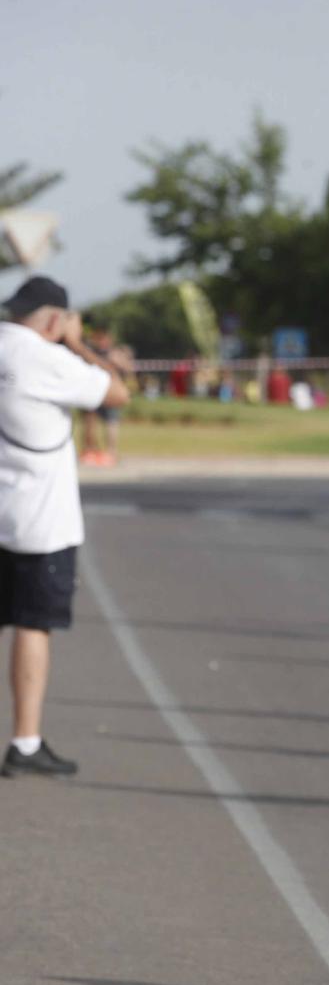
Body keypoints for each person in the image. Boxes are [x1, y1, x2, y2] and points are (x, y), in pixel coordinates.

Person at [0, 277, 131, 778]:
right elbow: (116, 393)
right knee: (33, 625)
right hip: (39, 522)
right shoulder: (47, 359)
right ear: (54, 319)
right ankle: (26, 742)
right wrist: (77, 344)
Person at [76, 325, 132, 467]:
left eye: (103, 338)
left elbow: (128, 369)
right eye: (98, 338)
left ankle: (111, 452)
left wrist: (118, 364)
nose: (101, 341)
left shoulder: (114, 353)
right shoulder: (91, 352)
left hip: (110, 392)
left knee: (111, 422)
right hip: (94, 390)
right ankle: (90, 450)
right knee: (89, 421)